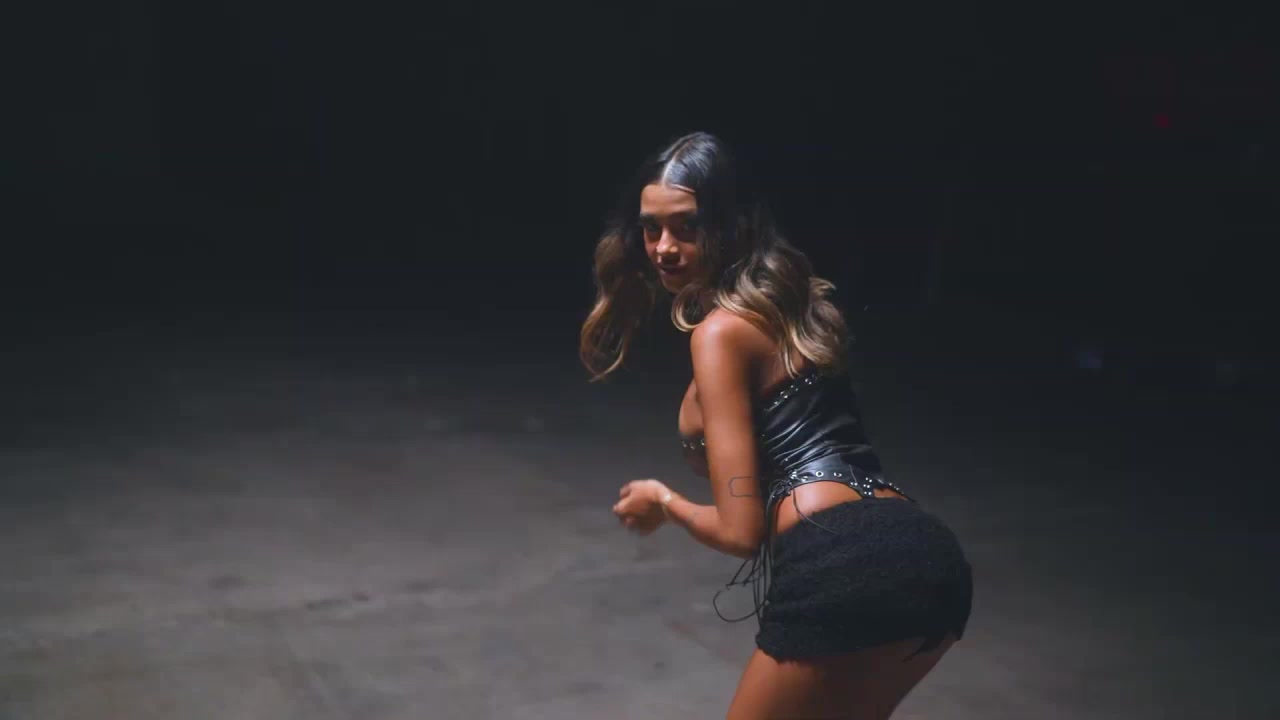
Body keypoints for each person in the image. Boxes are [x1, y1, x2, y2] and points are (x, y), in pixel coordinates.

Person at [580, 132, 973, 720]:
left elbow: (740, 532)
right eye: (651, 229)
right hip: (926, 557)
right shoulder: (787, 313)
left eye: (687, 227)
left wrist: (664, 502)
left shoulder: (719, 333)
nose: (663, 248)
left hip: (844, 561)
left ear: (733, 225)